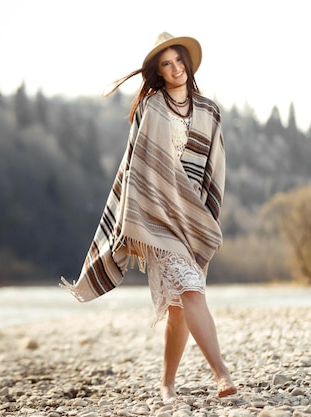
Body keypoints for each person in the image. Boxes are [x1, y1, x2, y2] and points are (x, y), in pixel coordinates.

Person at [60, 32, 237, 401]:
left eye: (179, 61)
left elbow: (215, 167)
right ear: (158, 72)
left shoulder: (208, 111)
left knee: (177, 308)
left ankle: (166, 384)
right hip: (156, 217)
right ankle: (222, 375)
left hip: (193, 217)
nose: (175, 69)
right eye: (166, 64)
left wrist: (206, 216)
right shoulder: (151, 108)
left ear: (188, 63)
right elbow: (136, 167)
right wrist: (133, 218)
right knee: (191, 288)